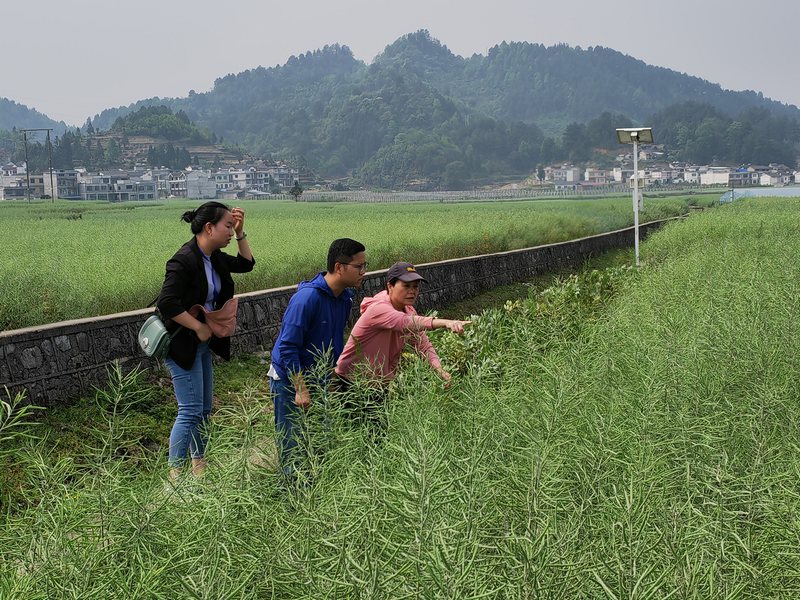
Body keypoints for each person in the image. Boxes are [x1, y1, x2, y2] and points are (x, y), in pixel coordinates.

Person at [157, 201, 254, 480]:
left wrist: (241, 232)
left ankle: (199, 469)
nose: (230, 230)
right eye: (227, 225)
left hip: (202, 343)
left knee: (204, 410)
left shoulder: (216, 257)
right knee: (188, 411)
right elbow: (167, 302)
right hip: (181, 343)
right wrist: (198, 327)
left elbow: (247, 265)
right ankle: (175, 477)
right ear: (209, 228)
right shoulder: (183, 259)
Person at [269, 238, 366, 478]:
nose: (364, 272)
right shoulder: (307, 299)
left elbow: (334, 342)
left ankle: (314, 497)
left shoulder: (344, 298)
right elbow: (287, 347)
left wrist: (333, 376)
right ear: (339, 267)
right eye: (359, 266)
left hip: (320, 378)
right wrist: (300, 388)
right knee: (293, 445)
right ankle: (291, 501)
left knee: (319, 443)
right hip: (291, 380)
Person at [333, 261, 469, 424]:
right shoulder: (378, 308)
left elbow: (422, 344)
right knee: (355, 438)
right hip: (350, 384)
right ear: (390, 286)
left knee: (377, 439)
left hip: (377, 386)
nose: (412, 291)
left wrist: (439, 369)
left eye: (416, 286)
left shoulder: (407, 310)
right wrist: (446, 322)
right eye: (406, 286)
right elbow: (405, 323)